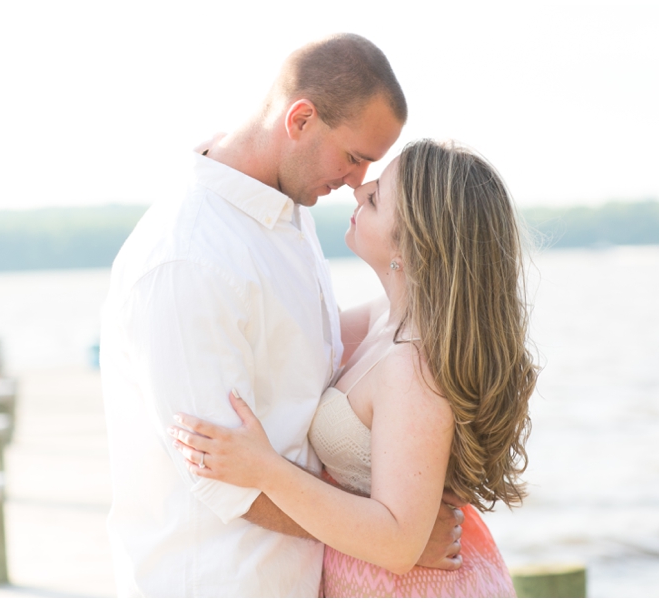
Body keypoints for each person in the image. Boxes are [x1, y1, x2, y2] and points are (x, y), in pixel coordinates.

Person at [99, 34, 463, 597]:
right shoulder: (187, 260)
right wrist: (397, 542)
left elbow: (314, 367)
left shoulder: (288, 209)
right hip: (219, 583)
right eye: (353, 157)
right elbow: (225, 481)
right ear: (300, 119)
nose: (356, 182)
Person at [170, 139, 538, 597]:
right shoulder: (381, 319)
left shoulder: (412, 366)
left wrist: (264, 468)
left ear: (415, 243)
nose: (358, 191)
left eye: (377, 195)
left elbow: (400, 541)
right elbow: (280, 346)